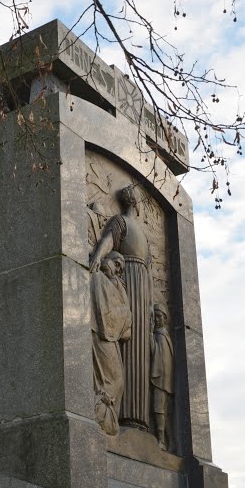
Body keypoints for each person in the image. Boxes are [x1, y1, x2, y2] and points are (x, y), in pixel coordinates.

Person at [90, 185, 153, 430]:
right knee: (125, 352)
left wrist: (147, 305)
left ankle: (139, 420)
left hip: (140, 290)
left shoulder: (144, 235)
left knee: (139, 350)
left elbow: (147, 269)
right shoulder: (120, 222)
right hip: (126, 286)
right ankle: (121, 414)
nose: (132, 194)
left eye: (134, 194)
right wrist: (97, 255)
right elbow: (108, 241)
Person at [90, 252, 131, 435]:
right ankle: (101, 418)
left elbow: (124, 315)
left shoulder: (111, 284)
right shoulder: (97, 276)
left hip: (110, 335)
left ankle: (106, 417)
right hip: (101, 334)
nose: (118, 269)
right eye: (116, 263)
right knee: (114, 380)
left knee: (118, 381)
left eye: (121, 268)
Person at [150, 302, 174, 450]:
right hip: (163, 380)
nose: (157, 320)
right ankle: (168, 441)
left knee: (159, 409)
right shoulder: (163, 335)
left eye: (159, 317)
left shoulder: (161, 336)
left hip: (161, 380)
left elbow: (155, 353)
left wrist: (148, 335)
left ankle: (162, 441)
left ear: (165, 318)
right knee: (162, 410)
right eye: (156, 317)